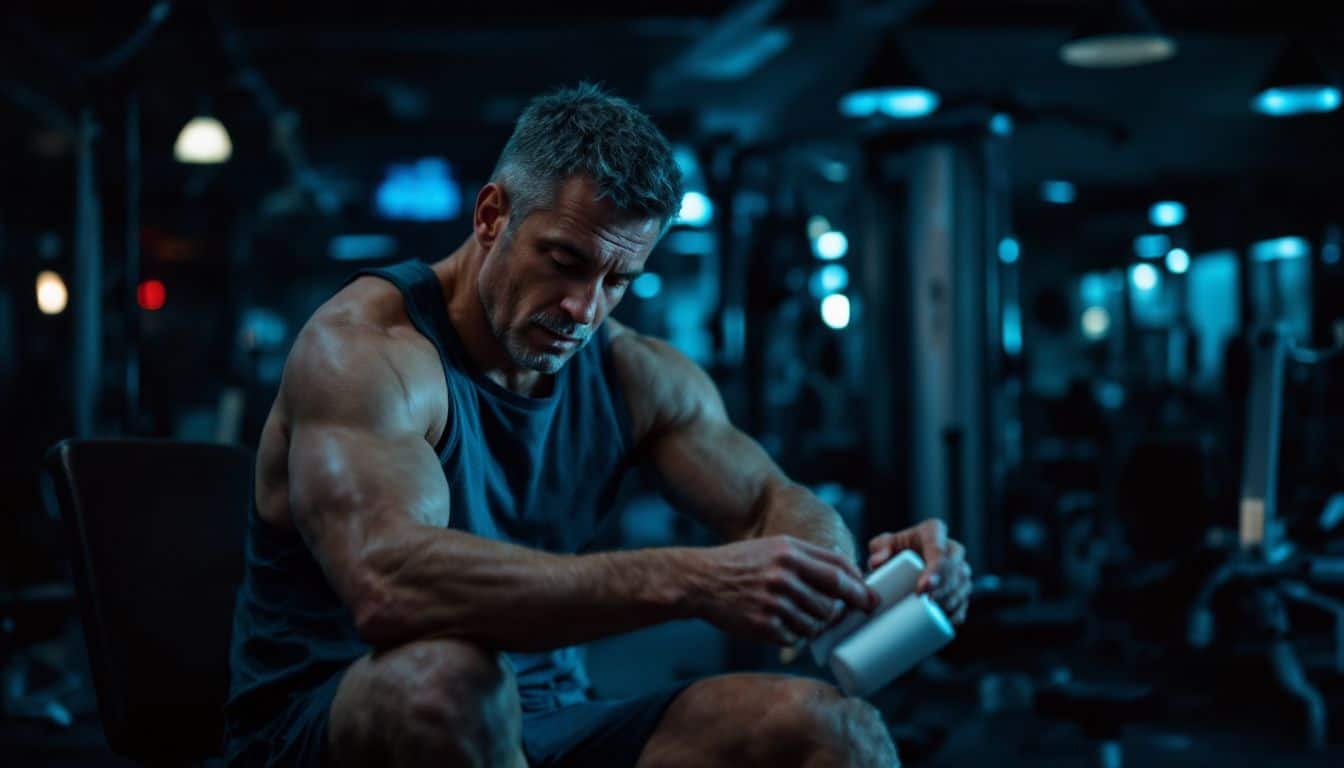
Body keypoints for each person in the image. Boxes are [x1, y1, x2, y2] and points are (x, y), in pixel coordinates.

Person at [224, 83, 972, 768]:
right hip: (336, 724)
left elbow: (768, 503)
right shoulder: (367, 352)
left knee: (837, 733)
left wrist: (848, 584)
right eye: (564, 261)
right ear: (492, 216)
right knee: (448, 679)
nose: (584, 308)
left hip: (550, 722)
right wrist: (687, 578)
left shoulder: (636, 374)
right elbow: (387, 586)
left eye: (617, 281)